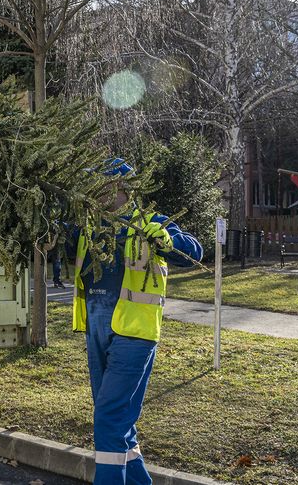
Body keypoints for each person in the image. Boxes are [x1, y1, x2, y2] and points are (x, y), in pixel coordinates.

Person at [72, 159, 202, 485]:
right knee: (119, 424)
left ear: (120, 188)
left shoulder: (149, 223)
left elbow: (196, 250)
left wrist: (169, 239)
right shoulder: (88, 226)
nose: (94, 192)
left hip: (133, 334)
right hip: (97, 332)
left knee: (108, 420)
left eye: (100, 185)